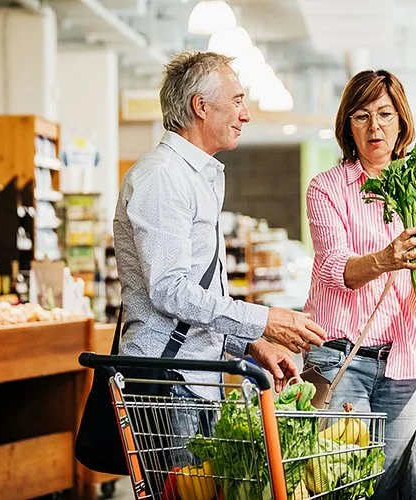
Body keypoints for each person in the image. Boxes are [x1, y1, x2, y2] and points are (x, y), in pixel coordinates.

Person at [113, 50, 327, 401]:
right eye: (238, 101)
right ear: (201, 106)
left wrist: (253, 344)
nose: (246, 115)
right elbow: (170, 289)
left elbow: (201, 292)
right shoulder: (162, 177)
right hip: (166, 382)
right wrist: (261, 319)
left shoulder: (198, 176)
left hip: (196, 377)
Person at [303, 69, 416, 499]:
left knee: (391, 484)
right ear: (347, 125)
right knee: (341, 481)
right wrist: (386, 259)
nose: (375, 127)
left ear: (402, 122)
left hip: (403, 360)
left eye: (386, 114)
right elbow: (334, 267)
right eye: (362, 115)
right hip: (340, 360)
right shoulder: (327, 188)